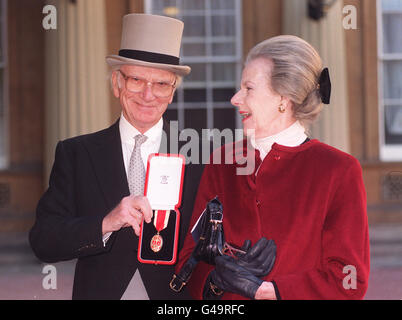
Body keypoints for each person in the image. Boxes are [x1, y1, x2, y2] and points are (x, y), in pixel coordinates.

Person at [176, 35, 370, 300]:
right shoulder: (222, 161)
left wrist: (272, 291)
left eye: (248, 88)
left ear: (283, 97)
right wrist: (214, 281)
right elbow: (189, 261)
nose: (235, 99)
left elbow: (349, 279)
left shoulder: (338, 170)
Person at [29, 14, 205, 300]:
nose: (148, 95)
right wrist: (105, 223)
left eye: (161, 84)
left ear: (172, 92)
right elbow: (43, 240)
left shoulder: (198, 154)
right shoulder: (77, 154)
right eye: (136, 79)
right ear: (116, 83)